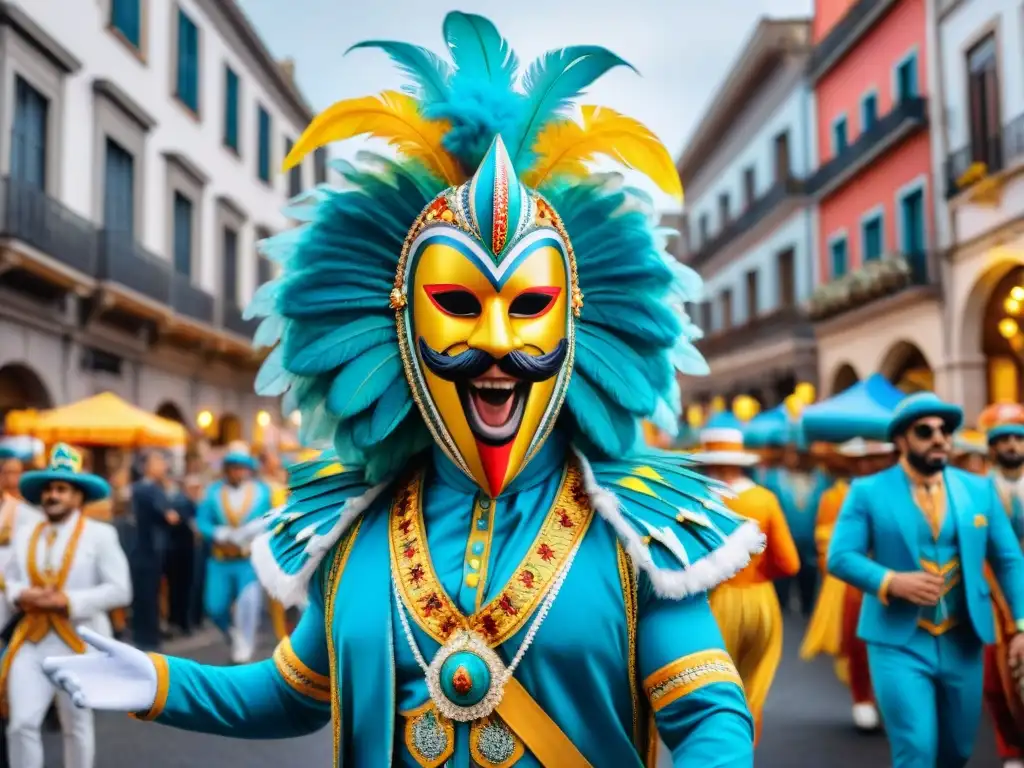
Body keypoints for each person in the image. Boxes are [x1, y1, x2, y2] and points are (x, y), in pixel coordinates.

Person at [40, 13, 763, 765]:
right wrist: (160, 681)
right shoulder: (352, 528)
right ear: (396, 325)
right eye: (458, 304)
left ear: (576, 326)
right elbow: (291, 693)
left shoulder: (637, 533)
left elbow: (710, 716)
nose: (496, 344)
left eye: (528, 308)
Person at [828, 392, 1024, 768]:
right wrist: (890, 581)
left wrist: (1020, 625)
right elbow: (840, 556)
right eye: (925, 430)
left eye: (945, 430)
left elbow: (1008, 559)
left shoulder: (978, 489)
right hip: (897, 641)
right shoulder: (868, 491)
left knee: (958, 750)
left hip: (963, 638)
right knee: (915, 748)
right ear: (901, 439)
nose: (939, 438)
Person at [0, 443, 131, 768]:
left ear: (78, 497)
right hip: (32, 641)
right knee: (21, 724)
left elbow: (121, 590)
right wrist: (21, 595)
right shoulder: (26, 533)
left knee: (77, 727)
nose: (53, 495)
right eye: (48, 489)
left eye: (62, 489)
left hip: (80, 643)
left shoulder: (100, 535)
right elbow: (9, 579)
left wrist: (69, 601)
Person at [693, 427, 799, 745]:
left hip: (710, 602)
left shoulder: (696, 500)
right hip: (760, 601)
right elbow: (790, 563)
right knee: (752, 688)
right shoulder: (764, 499)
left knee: (711, 688)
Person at [802, 437, 894, 733]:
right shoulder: (835, 496)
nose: (869, 464)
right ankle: (862, 698)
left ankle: (893, 699)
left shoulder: (900, 492)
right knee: (858, 639)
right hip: (855, 580)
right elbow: (826, 546)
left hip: (899, 574)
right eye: (862, 459)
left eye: (875, 458)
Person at [197, 444, 272, 663]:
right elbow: (202, 521)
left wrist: (255, 529)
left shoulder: (262, 491)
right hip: (220, 560)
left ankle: (246, 644)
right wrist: (220, 533)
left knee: (249, 602)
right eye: (234, 467)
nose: (238, 472)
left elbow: (269, 518)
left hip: (248, 560)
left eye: (242, 467)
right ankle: (232, 633)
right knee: (214, 606)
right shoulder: (212, 492)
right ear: (226, 469)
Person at [983, 418, 1024, 768]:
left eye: (1018, 438)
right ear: (993, 447)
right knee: (996, 678)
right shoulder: (978, 491)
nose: (1012, 445)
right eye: (1004, 439)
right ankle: (1012, 747)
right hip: (992, 594)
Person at [129, 451, 179, 651]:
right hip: (148, 549)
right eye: (159, 462)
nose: (164, 467)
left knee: (148, 593)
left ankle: (145, 634)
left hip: (148, 548)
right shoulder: (147, 489)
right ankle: (148, 637)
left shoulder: (147, 488)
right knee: (148, 593)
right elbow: (170, 516)